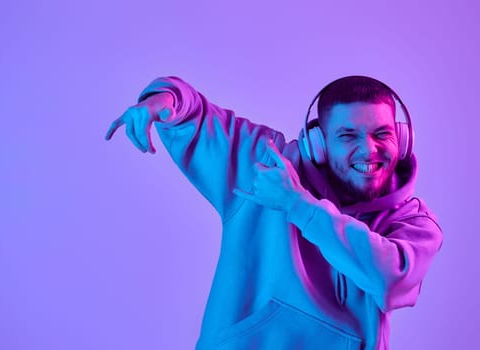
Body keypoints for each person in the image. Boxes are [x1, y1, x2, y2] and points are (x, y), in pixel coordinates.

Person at [105, 76, 443, 350]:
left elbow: (391, 280)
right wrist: (161, 101)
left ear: (402, 139)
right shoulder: (265, 164)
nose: (369, 149)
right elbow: (194, 113)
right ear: (319, 143)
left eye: (382, 133)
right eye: (348, 136)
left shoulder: (412, 223)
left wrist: (297, 205)